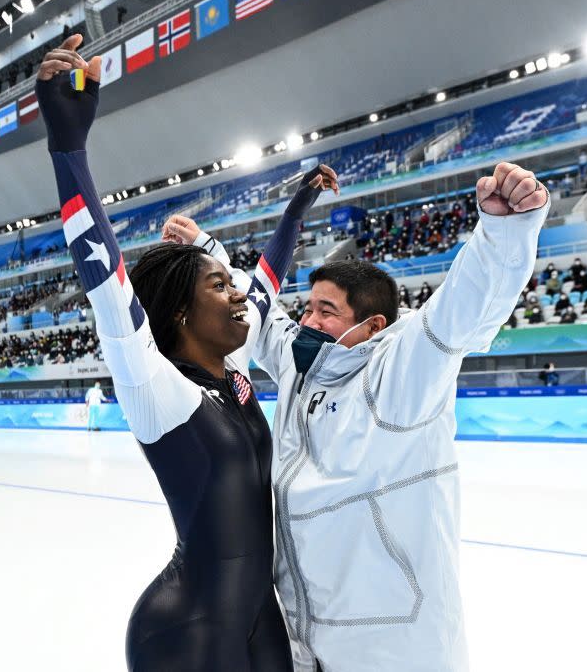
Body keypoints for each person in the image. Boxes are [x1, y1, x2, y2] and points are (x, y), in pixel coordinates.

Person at [35, 35, 337, 672]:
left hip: (260, 617)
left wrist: (298, 206)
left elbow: (270, 277)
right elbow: (107, 282)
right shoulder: (159, 392)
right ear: (178, 312)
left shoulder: (233, 373)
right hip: (185, 631)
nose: (240, 294)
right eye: (219, 284)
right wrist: (68, 148)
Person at [183, 161, 549, 671]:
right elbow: (263, 315)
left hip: (392, 647)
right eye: (308, 308)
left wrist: (505, 232)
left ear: (372, 325)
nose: (307, 321)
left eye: (326, 312)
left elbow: (462, 311)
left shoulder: (400, 376)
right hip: (306, 640)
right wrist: (210, 253)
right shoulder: (302, 366)